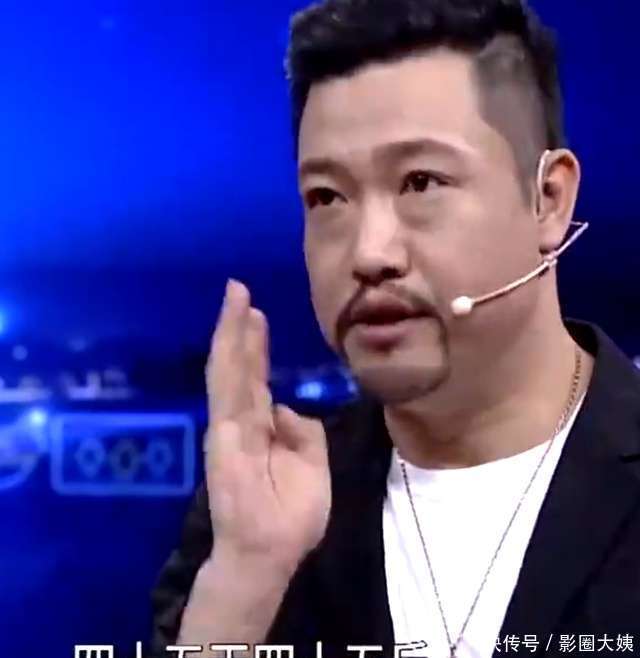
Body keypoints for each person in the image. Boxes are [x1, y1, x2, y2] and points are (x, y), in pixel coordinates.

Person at [149, 1, 640, 656]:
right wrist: (246, 583)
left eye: (420, 182)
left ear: (548, 199)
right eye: (327, 197)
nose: (368, 253)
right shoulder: (262, 510)